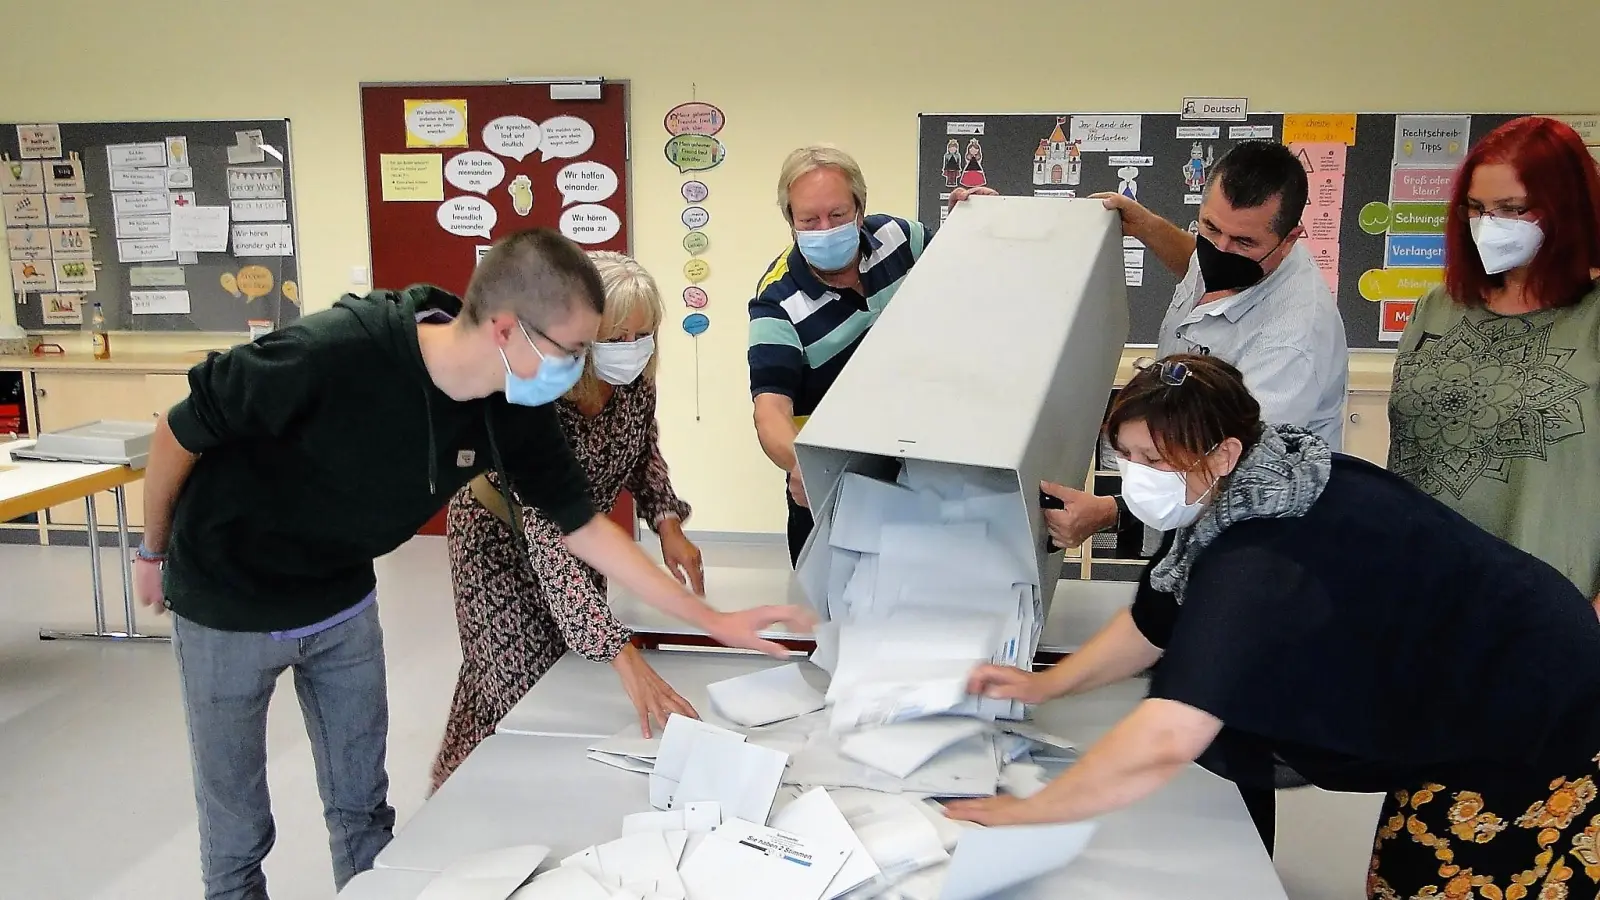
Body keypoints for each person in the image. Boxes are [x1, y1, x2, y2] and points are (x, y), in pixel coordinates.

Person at [134, 229, 813, 900]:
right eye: (574, 350)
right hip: (227, 599)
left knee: (361, 807)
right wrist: (151, 550)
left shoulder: (511, 402)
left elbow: (578, 525)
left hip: (339, 595)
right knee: (238, 832)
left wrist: (710, 619)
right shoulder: (333, 352)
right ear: (507, 328)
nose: (580, 367)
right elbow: (179, 429)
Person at [946, 354, 1600, 899]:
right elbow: (1154, 622)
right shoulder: (1262, 476)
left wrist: (1031, 811)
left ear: (1224, 452)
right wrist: (1046, 685)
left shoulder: (1260, 555)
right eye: (1126, 456)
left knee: (1453, 874)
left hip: (1542, 703)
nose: (1136, 477)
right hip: (1478, 675)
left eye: (1155, 459)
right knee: (1411, 853)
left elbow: (1169, 736)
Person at [430, 251, 703, 791]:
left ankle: (465, 781)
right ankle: (487, 798)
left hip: (581, 537)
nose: (631, 348)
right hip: (499, 540)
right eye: (617, 337)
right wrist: (620, 652)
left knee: (563, 670)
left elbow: (642, 453)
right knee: (516, 683)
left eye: (643, 335)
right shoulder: (539, 393)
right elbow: (547, 535)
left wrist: (668, 522)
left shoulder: (634, 384)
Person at [1042, 140, 1352, 556]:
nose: (1220, 250)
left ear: (1291, 238)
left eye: (1243, 242)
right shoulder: (1234, 260)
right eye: (1210, 228)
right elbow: (1199, 262)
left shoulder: (1291, 343)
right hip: (1181, 503)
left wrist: (1110, 512)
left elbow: (1236, 469)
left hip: (1252, 535)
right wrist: (1148, 226)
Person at [747, 144, 992, 566]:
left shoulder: (900, 238)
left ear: (860, 208)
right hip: (837, 483)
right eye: (809, 220)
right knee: (838, 602)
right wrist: (800, 463)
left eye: (837, 214)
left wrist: (969, 225)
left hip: (924, 464)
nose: (825, 229)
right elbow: (769, 411)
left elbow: (962, 273)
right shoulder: (777, 302)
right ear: (790, 221)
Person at [1388, 116, 1600, 601]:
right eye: (1477, 208)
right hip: (1424, 592)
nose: (1488, 225)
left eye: (1512, 209)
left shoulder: (1592, 316)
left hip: (1548, 602)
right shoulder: (1436, 308)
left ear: (1564, 209)